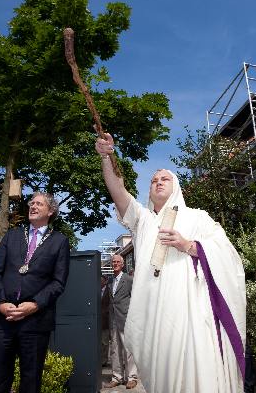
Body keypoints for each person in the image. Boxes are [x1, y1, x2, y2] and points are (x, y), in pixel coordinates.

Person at [95, 134, 246, 393]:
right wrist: (106, 157)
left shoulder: (197, 218)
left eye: (164, 179)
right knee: (163, 378)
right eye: (153, 181)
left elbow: (228, 255)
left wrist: (188, 245)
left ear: (176, 187)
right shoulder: (143, 220)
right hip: (154, 314)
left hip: (191, 313)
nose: (157, 182)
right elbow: (117, 191)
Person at [0, 191, 70, 393]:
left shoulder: (59, 241)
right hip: (2, 320)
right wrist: (0, 303)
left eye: (39, 204)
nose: (32, 206)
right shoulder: (12, 236)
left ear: (50, 211)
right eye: (31, 203)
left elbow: (58, 282)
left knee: (30, 382)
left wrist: (35, 304)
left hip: (35, 322)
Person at [103, 255, 138, 389]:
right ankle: (117, 377)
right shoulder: (110, 281)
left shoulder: (128, 280)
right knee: (115, 350)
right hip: (113, 320)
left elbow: (135, 299)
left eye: (118, 262)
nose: (115, 264)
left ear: (122, 264)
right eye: (113, 262)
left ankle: (132, 377)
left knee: (128, 350)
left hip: (126, 319)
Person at [100, 274, 110, 367]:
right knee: (99, 342)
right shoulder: (95, 291)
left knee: (105, 342)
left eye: (102, 281)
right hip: (98, 321)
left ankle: (104, 360)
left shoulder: (109, 291)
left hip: (106, 321)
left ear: (105, 281)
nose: (100, 282)